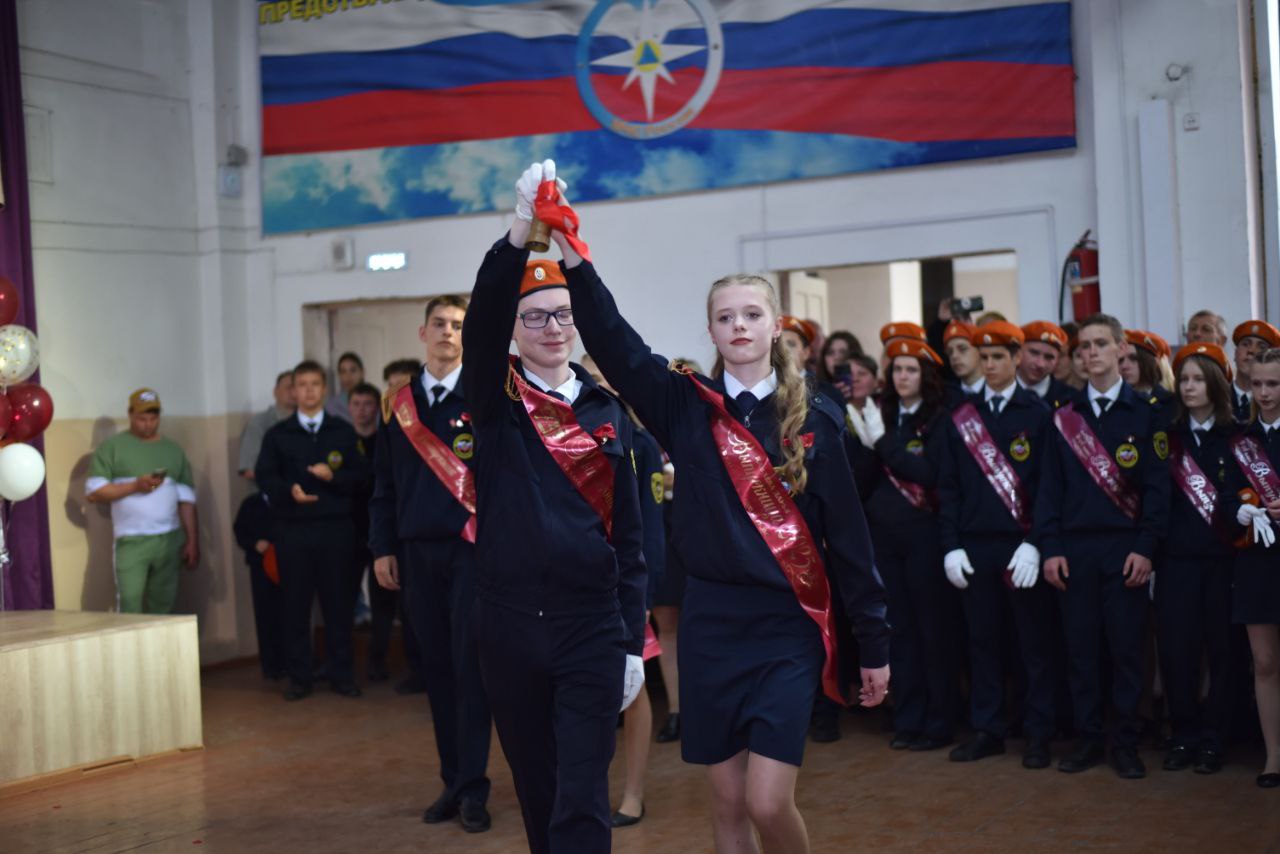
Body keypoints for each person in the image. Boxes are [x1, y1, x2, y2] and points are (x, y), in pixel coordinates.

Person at [558, 164, 890, 852]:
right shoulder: (684, 405)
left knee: (769, 800)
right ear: (710, 330)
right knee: (729, 801)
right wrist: (573, 257)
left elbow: (851, 541)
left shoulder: (817, 419)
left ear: (776, 327)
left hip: (786, 625)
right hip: (711, 621)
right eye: (725, 317)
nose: (738, 325)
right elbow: (614, 342)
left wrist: (875, 643)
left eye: (751, 315)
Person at [462, 163, 648, 854]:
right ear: (514, 331)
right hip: (509, 624)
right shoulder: (495, 400)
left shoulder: (607, 410)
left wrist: (631, 639)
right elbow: (480, 322)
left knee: (582, 792)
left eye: (563, 315)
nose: (552, 327)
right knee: (538, 789)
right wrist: (520, 231)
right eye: (535, 316)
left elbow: (632, 537)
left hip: (590, 627)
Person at [369, 294, 495, 834]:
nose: (448, 332)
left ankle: (474, 788)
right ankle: (453, 781)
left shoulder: (484, 397)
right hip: (416, 555)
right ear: (423, 333)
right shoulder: (399, 406)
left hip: (471, 553)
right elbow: (384, 486)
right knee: (437, 671)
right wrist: (382, 547)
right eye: (439, 323)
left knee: (471, 670)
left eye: (458, 325)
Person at [1035, 313, 1170, 779]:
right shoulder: (1064, 416)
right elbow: (1049, 489)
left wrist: (1146, 547)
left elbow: (1157, 490)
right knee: (1081, 650)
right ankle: (1089, 739)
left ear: (1121, 349)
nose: (1091, 353)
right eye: (1084, 347)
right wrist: (1051, 547)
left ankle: (1125, 742)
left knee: (1126, 650)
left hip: (1125, 549)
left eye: (1100, 344)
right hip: (1074, 551)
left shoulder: (1147, 413)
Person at [938, 321, 1057, 769]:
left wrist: (1036, 542)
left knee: (1033, 645)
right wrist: (950, 545)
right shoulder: (963, 416)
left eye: (998, 357)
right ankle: (987, 729)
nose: (989, 365)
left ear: (1016, 358)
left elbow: (1048, 488)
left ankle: (1038, 733)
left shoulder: (1038, 414)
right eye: (983, 357)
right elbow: (948, 488)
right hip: (975, 545)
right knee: (982, 642)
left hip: (1020, 547)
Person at [851, 336, 958, 754]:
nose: (903, 376)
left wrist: (883, 444)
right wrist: (867, 445)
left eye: (911, 369)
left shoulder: (939, 419)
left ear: (925, 375)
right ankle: (908, 718)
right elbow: (865, 480)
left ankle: (940, 721)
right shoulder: (883, 414)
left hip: (925, 537)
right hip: (884, 538)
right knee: (899, 632)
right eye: (897, 369)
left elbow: (929, 474)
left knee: (933, 632)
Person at [580, 354, 666, 829]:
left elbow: (649, 527)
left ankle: (633, 794)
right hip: (579, 583)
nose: (595, 385)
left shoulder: (640, 441)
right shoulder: (568, 432)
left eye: (603, 376)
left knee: (633, 689)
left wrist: (644, 594)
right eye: (588, 376)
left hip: (625, 584)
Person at [256, 359, 369, 701]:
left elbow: (362, 476)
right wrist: (287, 490)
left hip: (335, 530)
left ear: (324, 389)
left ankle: (341, 674)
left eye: (314, 384)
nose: (307, 391)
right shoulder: (278, 435)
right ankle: (300, 677)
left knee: (339, 606)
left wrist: (334, 476)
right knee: (295, 606)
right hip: (294, 531)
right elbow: (265, 476)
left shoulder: (342, 431)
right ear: (293, 390)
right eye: (301, 385)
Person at [1157, 343, 1238, 775]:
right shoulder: (1167, 437)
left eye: (1198, 379)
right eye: (1183, 379)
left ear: (1216, 384)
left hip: (1223, 563)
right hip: (1176, 562)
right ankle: (1184, 735)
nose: (1188, 387)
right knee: (1177, 652)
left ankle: (1214, 739)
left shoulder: (1236, 436)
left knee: (1222, 652)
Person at [86, 388, 199, 614]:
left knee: (164, 605)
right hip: (131, 540)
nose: (148, 424)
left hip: (169, 540)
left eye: (153, 418)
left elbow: (186, 500)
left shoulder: (173, 450)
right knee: (130, 604)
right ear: (130, 414)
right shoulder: (112, 448)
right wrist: (135, 486)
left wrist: (192, 541)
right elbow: (94, 492)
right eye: (141, 419)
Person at [1224, 346, 1280, 789]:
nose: (1263, 392)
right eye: (1257, 383)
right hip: (1256, 562)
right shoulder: (1239, 439)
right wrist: (1238, 511)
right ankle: (1274, 755)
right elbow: (1221, 499)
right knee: (1264, 662)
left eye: (1273, 384)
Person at [652, 358, 701, 747]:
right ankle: (676, 710)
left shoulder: (711, 428)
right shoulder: (648, 429)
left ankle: (704, 709)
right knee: (667, 625)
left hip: (702, 540)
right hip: (662, 535)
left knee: (702, 625)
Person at [237, 371, 295, 481]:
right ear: (275, 392)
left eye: (296, 388)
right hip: (272, 489)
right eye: (288, 387)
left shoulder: (308, 422)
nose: (293, 392)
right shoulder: (259, 423)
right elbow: (249, 470)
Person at [1017, 321, 1075, 409]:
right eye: (1034, 353)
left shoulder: (1069, 398)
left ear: (1057, 360)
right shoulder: (998, 389)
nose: (1040, 364)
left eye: (1049, 357)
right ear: (1018, 351)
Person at [1231, 321, 1280, 422]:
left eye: (1262, 347)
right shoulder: (1215, 398)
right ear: (1235, 353)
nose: (1251, 351)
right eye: (1245, 344)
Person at [1121, 330, 1175, 421]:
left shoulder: (1171, 403)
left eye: (1133, 358)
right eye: (1120, 360)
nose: (1124, 366)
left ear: (1151, 362)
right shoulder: (1115, 401)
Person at [943, 319, 984, 405]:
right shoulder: (945, 396)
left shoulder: (996, 391)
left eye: (962, 349)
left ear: (980, 350)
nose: (954, 356)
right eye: (950, 352)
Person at [324, 351, 363, 421]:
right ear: (339, 375)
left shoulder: (375, 402)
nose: (348, 376)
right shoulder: (332, 406)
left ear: (362, 372)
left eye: (352, 370)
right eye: (343, 372)